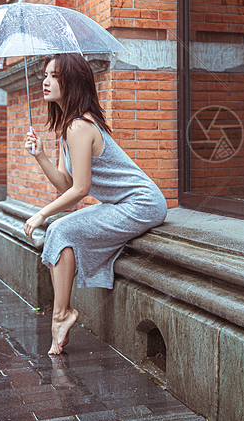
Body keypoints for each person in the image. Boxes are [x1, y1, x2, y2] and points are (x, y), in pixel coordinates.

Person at [23, 53, 167, 355]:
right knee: (60, 229)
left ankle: (61, 315)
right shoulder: (67, 127)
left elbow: (81, 190)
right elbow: (65, 183)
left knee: (59, 229)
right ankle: (61, 314)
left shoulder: (79, 127)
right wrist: (40, 156)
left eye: (54, 76)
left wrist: (40, 213)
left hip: (141, 203)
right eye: (45, 75)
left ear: (72, 82)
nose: (45, 81)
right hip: (120, 203)